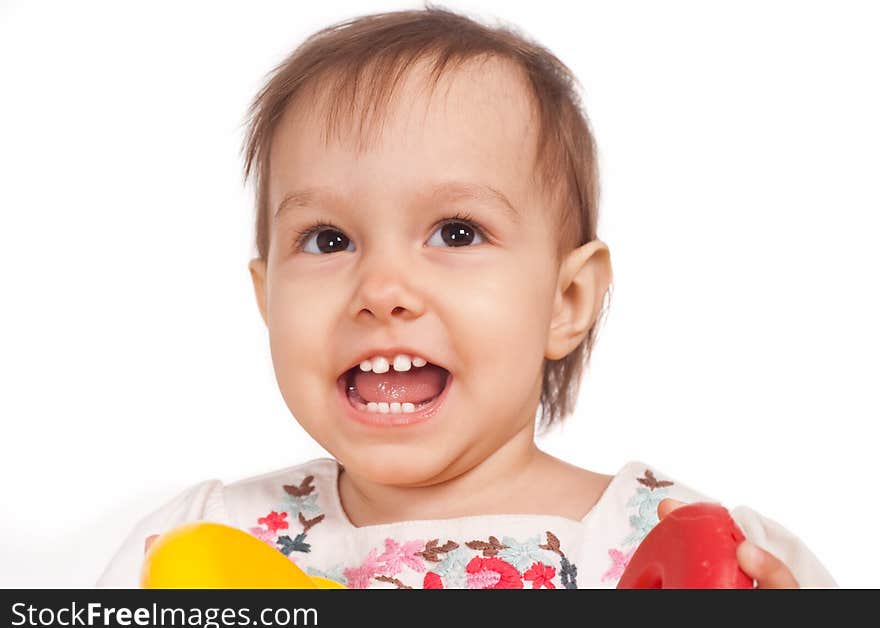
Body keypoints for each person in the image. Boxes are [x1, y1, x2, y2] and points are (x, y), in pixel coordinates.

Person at [96, 6, 835, 589]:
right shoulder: (203, 540)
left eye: (455, 232)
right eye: (327, 239)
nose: (382, 290)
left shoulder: (675, 544)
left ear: (566, 300)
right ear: (266, 298)